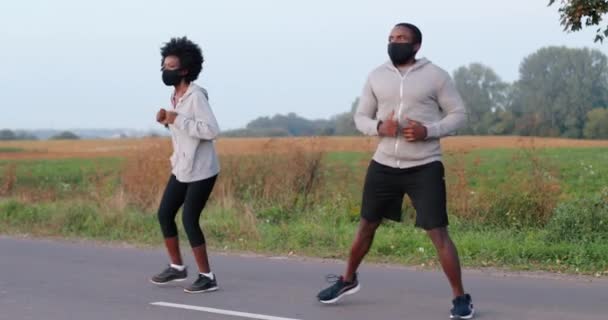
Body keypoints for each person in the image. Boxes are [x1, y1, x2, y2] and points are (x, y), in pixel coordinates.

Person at [316, 23, 474, 319]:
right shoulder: (376, 76)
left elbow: (459, 115)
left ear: (416, 46)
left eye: (401, 38)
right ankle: (347, 280)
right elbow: (361, 116)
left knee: (438, 233)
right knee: (366, 225)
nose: (394, 42)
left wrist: (429, 130)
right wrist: (379, 128)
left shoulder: (436, 76)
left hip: (424, 165)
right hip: (384, 164)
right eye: (390, 38)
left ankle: (460, 298)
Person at [149, 36, 221, 294]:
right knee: (165, 214)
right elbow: (184, 128)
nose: (164, 71)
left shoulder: (196, 96)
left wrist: (176, 119)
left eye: (170, 66)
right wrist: (168, 120)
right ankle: (177, 267)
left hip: (202, 169)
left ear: (185, 70)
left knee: (190, 219)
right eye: (163, 66)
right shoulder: (175, 96)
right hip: (182, 166)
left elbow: (211, 130)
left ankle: (207, 276)